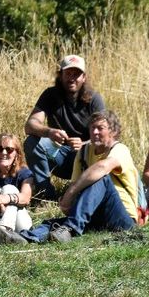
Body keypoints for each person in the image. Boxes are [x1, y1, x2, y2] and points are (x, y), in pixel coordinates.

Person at [0, 110, 140, 245]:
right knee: (51, 223)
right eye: (92, 128)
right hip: (95, 217)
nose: (94, 132)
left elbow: (102, 168)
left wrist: (71, 192)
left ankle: (70, 228)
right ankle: (23, 238)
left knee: (101, 178)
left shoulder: (120, 149)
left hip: (122, 217)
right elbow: (75, 186)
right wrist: (68, 205)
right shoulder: (84, 153)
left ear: (113, 131)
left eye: (100, 128)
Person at [23, 54, 105, 200]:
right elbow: (30, 125)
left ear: (84, 77)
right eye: (68, 73)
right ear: (60, 75)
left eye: (76, 74)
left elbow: (106, 135)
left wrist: (85, 144)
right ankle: (45, 195)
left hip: (86, 157)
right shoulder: (50, 95)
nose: (72, 78)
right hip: (58, 153)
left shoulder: (94, 99)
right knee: (31, 142)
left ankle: (86, 194)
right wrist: (49, 132)